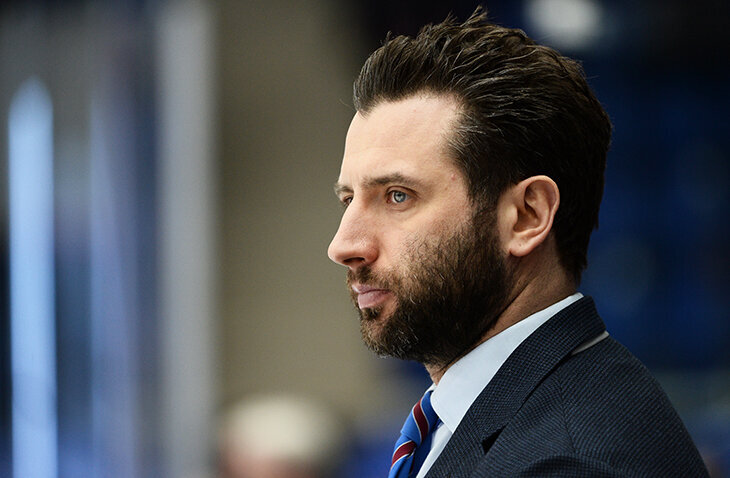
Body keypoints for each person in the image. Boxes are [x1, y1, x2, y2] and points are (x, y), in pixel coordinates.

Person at [326, 8, 709, 478]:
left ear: (527, 216)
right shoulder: (510, 416)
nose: (343, 245)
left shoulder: (569, 464)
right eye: (349, 200)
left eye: (398, 195)